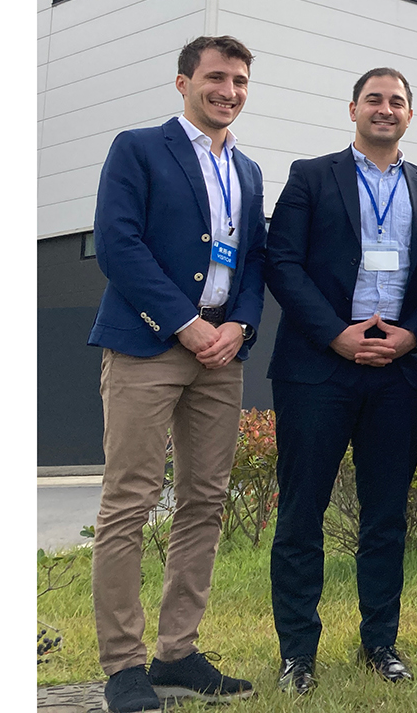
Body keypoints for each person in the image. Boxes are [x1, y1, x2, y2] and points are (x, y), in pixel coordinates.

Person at [86, 36, 266, 713]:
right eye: (217, 78)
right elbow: (118, 242)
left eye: (241, 80)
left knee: (204, 501)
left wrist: (237, 327)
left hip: (220, 355)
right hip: (147, 344)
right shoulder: (138, 148)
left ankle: (178, 650)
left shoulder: (246, 169)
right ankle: (123, 665)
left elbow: (253, 260)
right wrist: (182, 323)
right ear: (184, 82)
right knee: (129, 502)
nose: (229, 90)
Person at [262, 68, 417, 695]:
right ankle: (297, 654)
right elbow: (281, 263)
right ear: (352, 109)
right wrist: (334, 333)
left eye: (398, 101)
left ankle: (381, 642)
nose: (385, 109)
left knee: (385, 516)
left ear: (410, 115)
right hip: (318, 369)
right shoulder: (310, 176)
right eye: (375, 99)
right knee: (301, 513)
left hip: (398, 372)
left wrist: (414, 334)